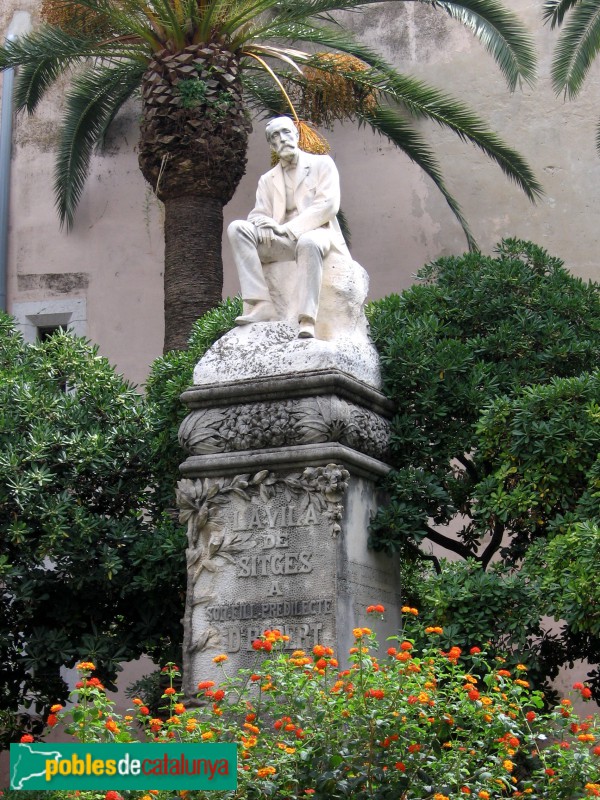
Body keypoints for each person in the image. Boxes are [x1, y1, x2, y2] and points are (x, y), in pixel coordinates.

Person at [227, 117, 351, 339]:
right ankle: (261, 303)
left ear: (296, 135)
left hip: (317, 233)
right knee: (237, 228)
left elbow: (328, 205)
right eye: (274, 137)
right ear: (272, 145)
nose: (281, 139)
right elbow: (258, 213)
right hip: (280, 240)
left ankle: (307, 320)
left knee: (308, 242)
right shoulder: (267, 179)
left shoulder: (322, 164)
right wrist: (261, 224)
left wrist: (287, 228)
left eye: (285, 132)